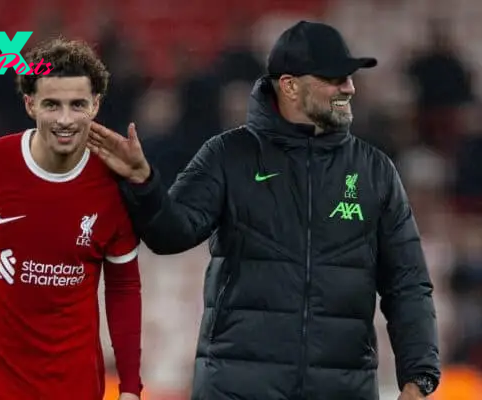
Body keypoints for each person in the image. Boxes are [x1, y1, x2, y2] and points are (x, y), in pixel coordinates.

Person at [88, 21, 441, 400]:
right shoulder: (227, 155)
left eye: (349, 78)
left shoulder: (375, 171)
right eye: (335, 78)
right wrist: (144, 182)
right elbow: (170, 235)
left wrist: (418, 379)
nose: (349, 88)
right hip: (238, 389)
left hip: (340, 390)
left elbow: (407, 283)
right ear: (289, 85)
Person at [0, 37, 143, 400]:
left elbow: (124, 288)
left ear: (95, 105)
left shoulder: (114, 186)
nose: (65, 119)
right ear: (30, 103)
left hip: (75, 388)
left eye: (77, 105)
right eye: (52, 104)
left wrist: (131, 386)